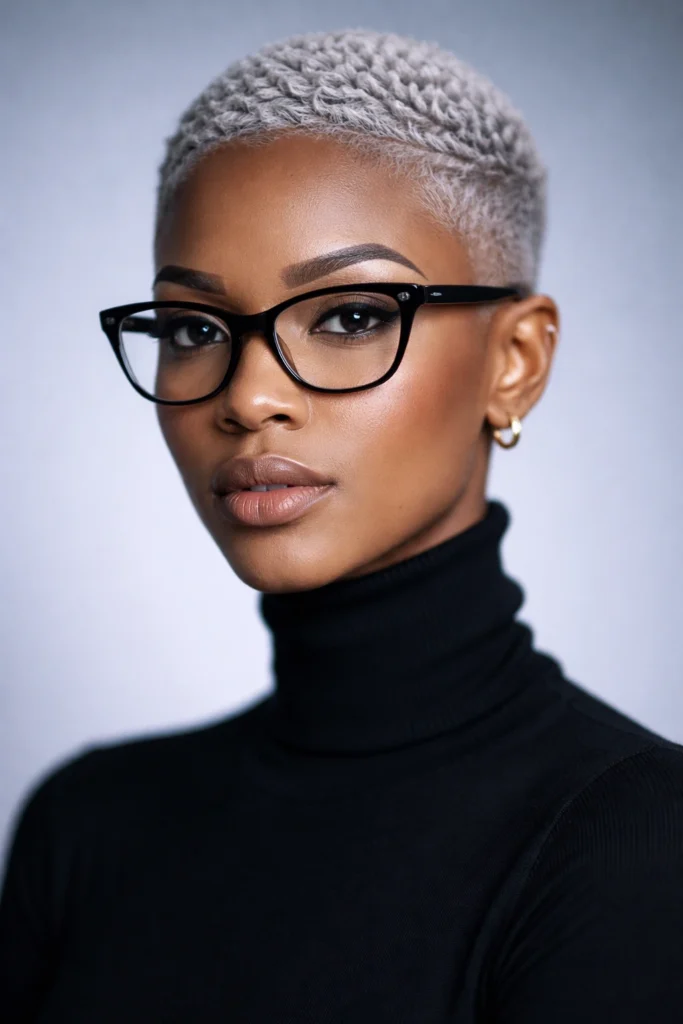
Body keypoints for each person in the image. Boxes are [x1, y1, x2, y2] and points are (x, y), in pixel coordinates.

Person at [1, 27, 682, 1023]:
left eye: (351, 315)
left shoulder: (632, 840)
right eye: (194, 330)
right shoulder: (88, 823)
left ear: (515, 361)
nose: (249, 396)